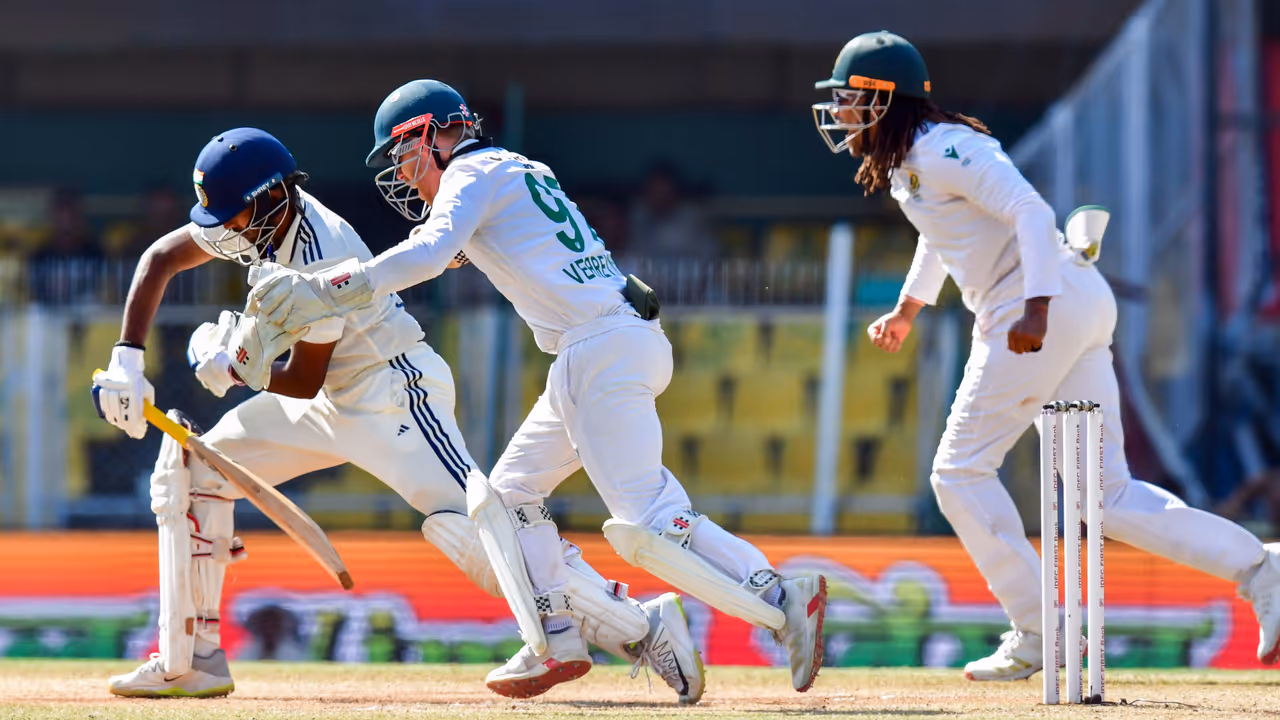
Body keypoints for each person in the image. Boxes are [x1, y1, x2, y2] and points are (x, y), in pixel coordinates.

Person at [244, 79, 828, 698]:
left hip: (596, 349)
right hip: (611, 342)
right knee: (509, 495)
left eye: (403, 155)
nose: (403, 175)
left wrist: (322, 287)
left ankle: (779, 594)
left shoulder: (470, 177)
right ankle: (554, 636)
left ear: (432, 133)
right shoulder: (518, 169)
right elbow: (481, 248)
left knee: (648, 521)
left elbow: (429, 253)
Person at [90, 128, 689, 700]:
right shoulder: (259, 218)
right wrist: (127, 358)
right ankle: (190, 661)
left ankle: (641, 625)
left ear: (272, 197)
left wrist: (231, 366)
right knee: (193, 473)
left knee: (478, 529)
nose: (225, 235)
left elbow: (301, 379)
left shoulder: (318, 248)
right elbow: (162, 255)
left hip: (394, 394)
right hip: (330, 403)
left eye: (234, 219)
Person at [812, 30, 1280, 681]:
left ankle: (1040, 631)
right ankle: (1262, 567)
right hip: (1072, 302)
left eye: (848, 99)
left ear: (885, 99)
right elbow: (942, 233)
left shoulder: (945, 148)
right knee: (1107, 496)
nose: (838, 114)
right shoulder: (907, 163)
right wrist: (910, 308)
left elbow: (1030, 212)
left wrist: (1036, 306)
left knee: (958, 472)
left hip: (1038, 306)